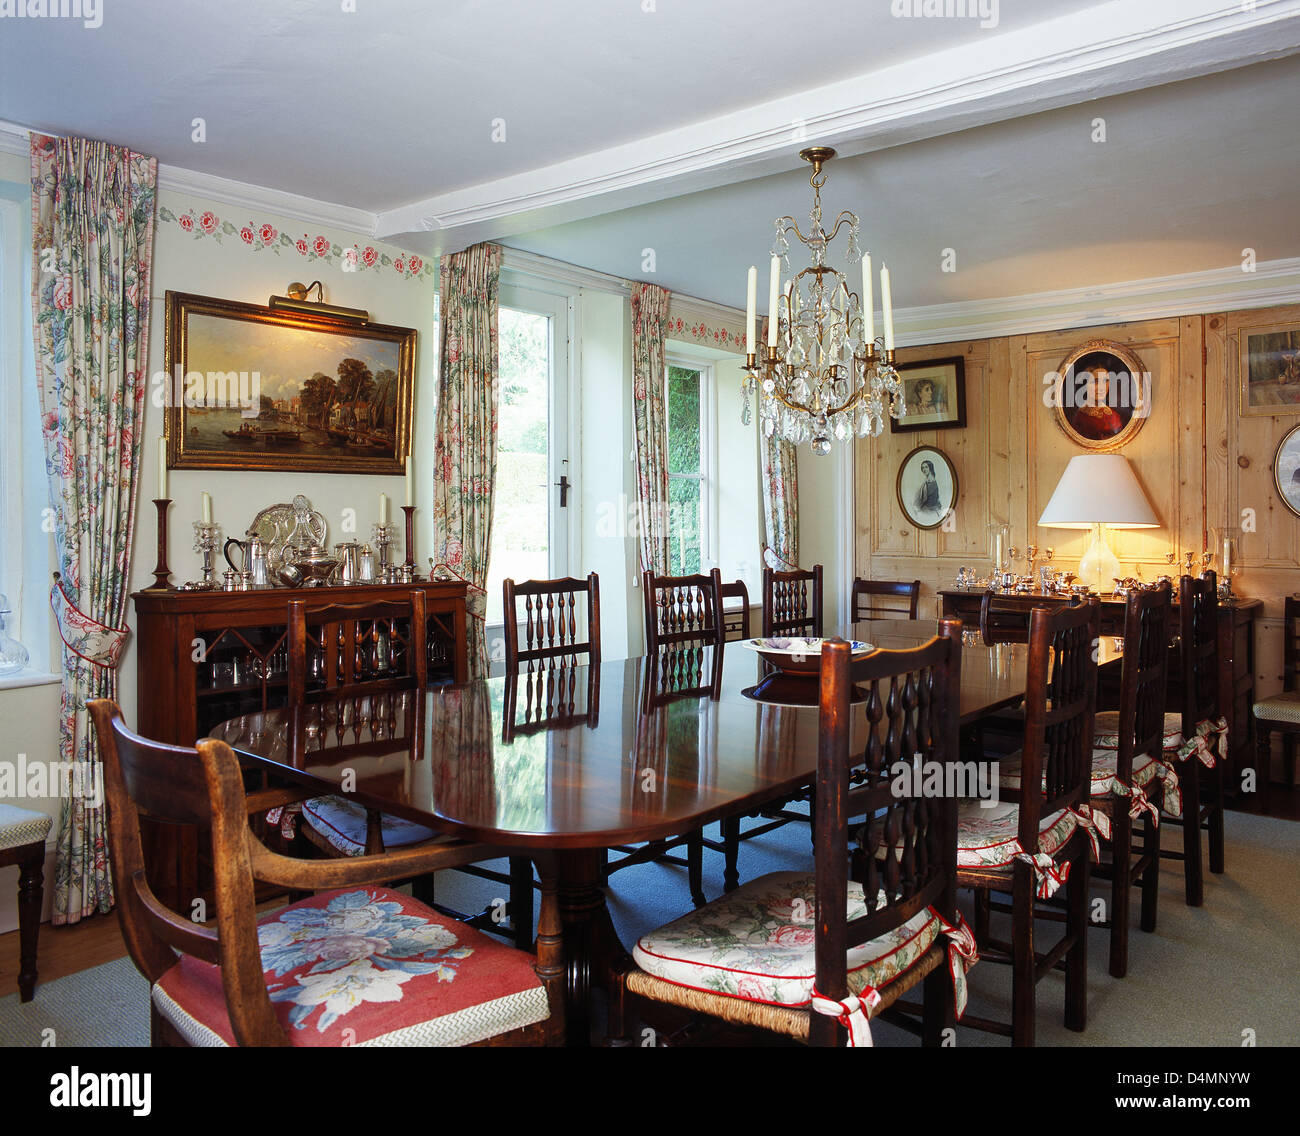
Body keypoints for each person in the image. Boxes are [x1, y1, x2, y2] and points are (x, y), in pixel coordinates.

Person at [1069, 364, 1125, 440]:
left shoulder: (1114, 415)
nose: (1102, 387)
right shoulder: (1081, 418)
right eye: (1095, 382)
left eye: (1105, 381)